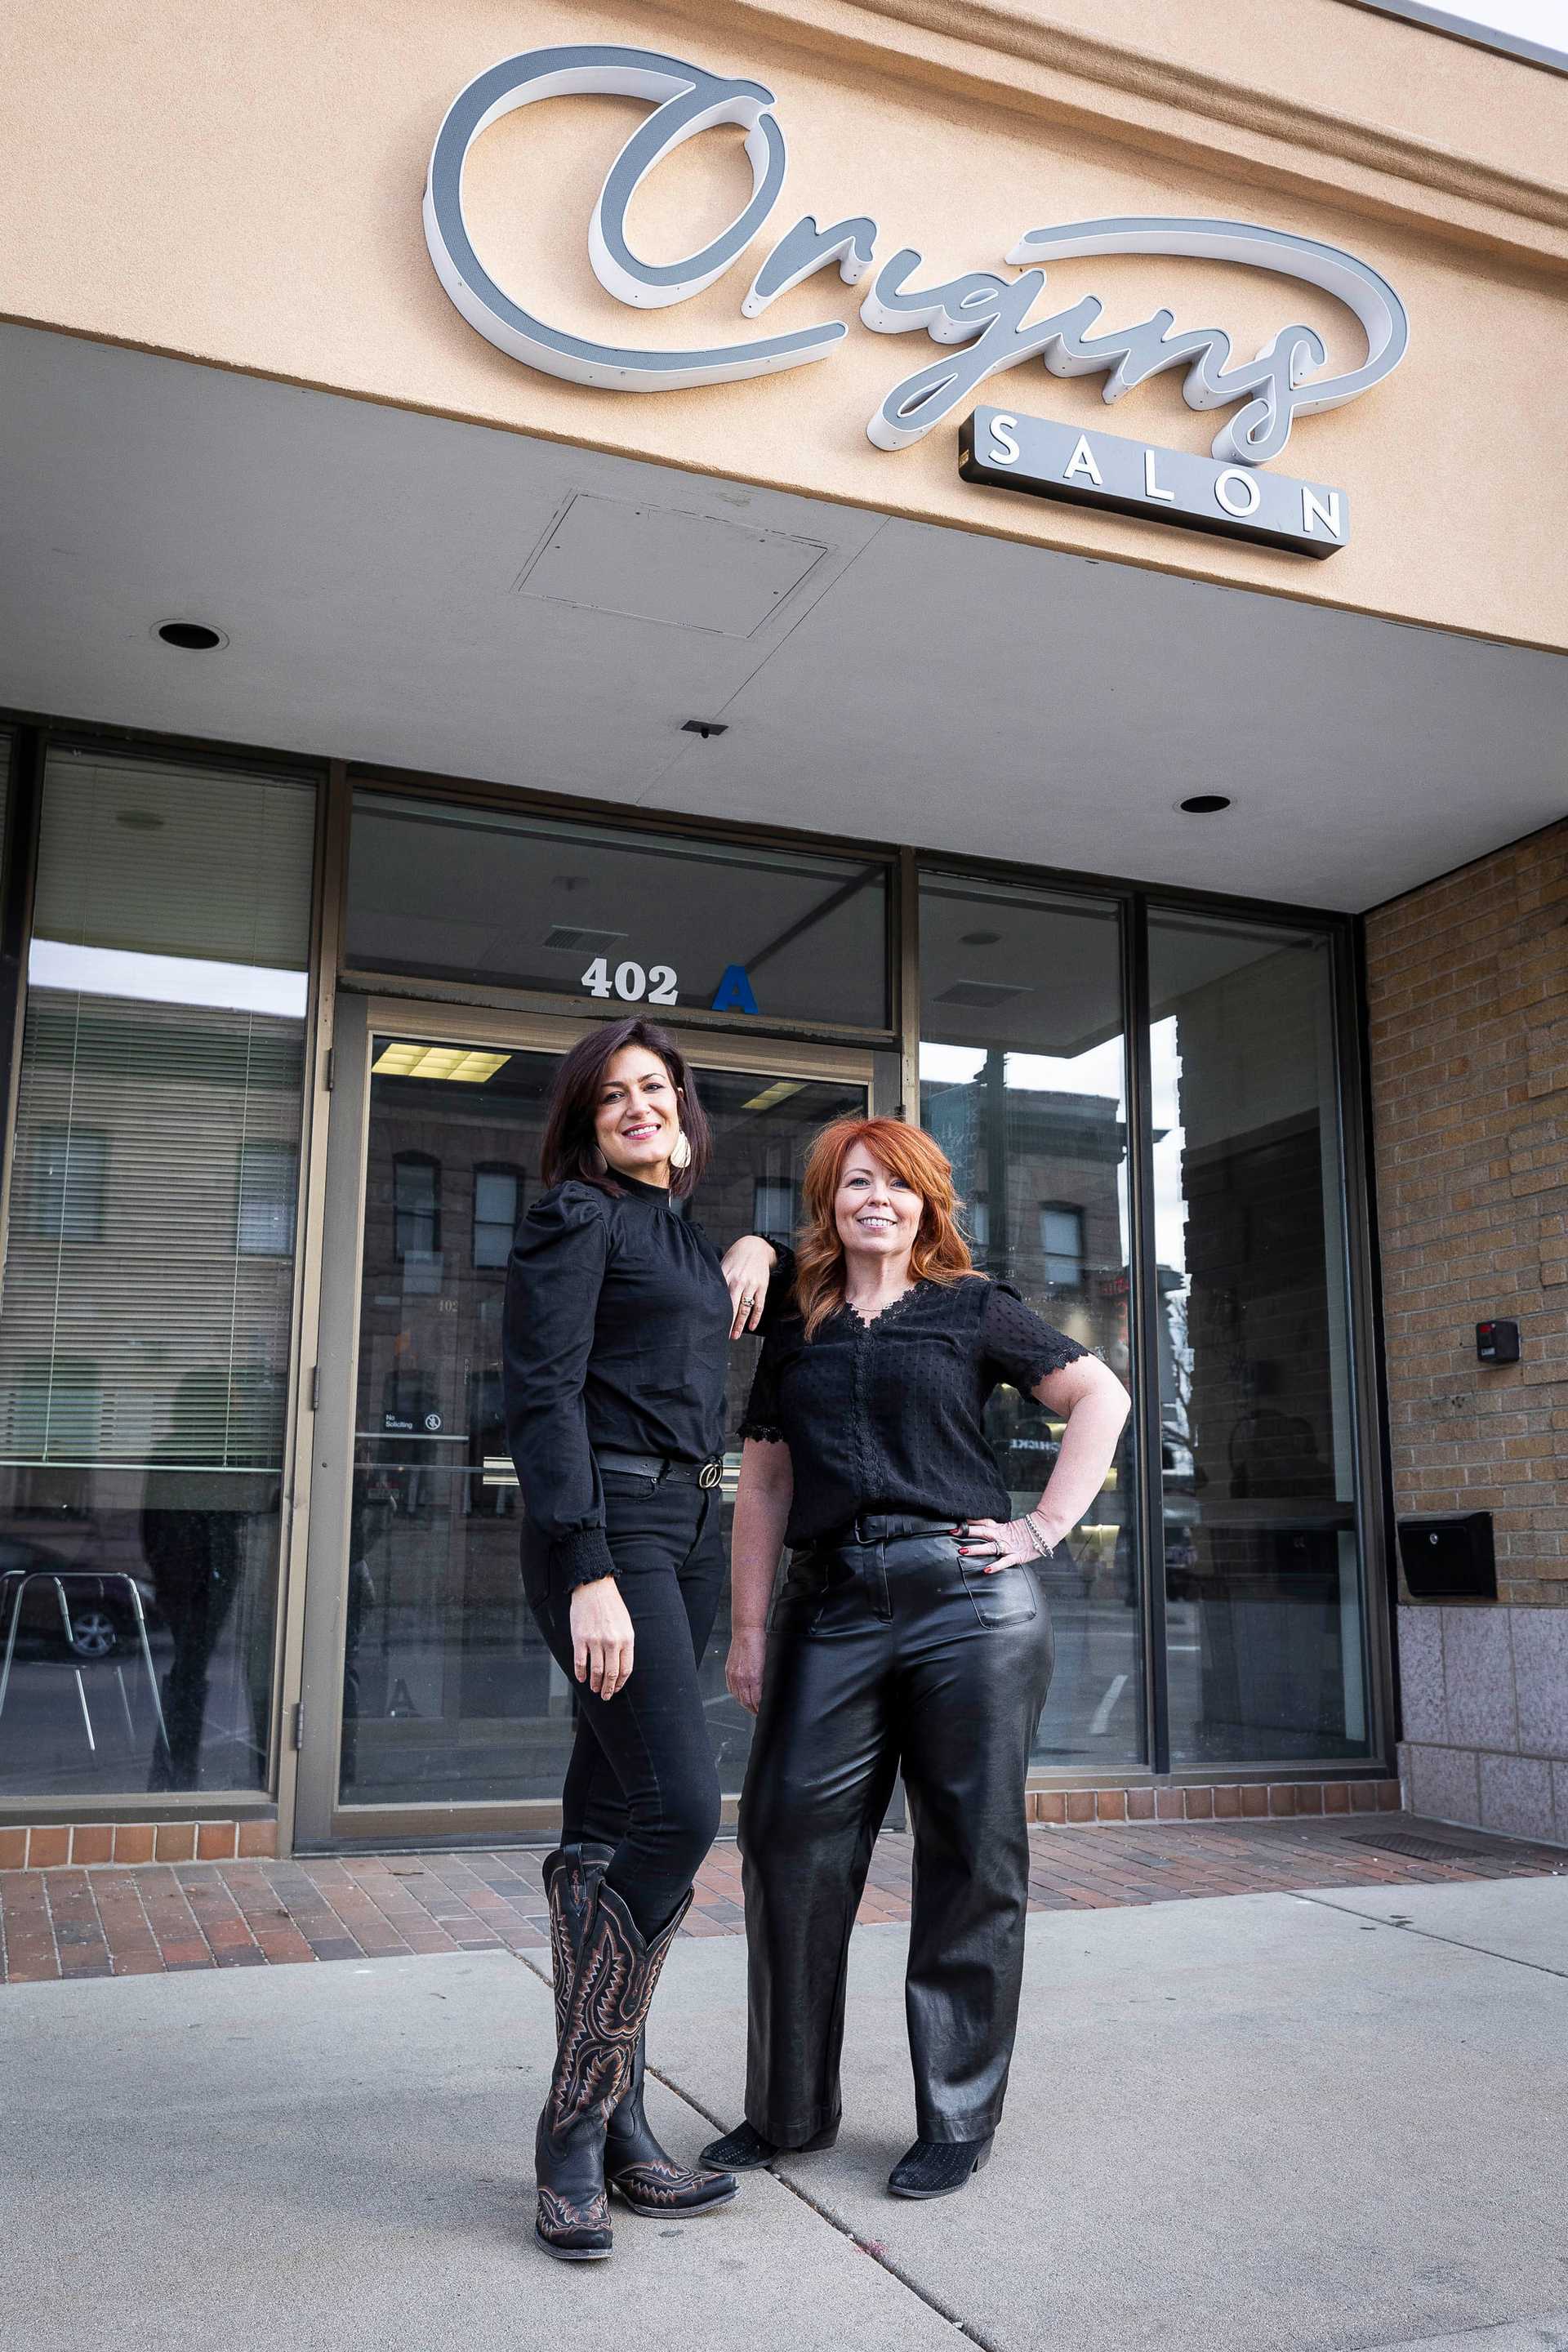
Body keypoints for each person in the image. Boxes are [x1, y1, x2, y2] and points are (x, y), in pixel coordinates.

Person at [702, 1117, 1130, 2201]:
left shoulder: (972, 1308)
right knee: (785, 1842)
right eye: (855, 1184)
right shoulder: (797, 1329)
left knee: (969, 1861)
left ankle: (958, 2116)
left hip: (967, 1607)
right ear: (830, 1202)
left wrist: (1042, 1528)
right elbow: (763, 1484)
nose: (874, 1200)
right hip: (829, 1606)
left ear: (927, 1201)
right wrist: (749, 1629)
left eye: (895, 1184)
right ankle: (787, 2111)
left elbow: (1103, 1398)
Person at [503, 1016, 783, 2262]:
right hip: (611, 1529)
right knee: (682, 1810)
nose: (636, 1106)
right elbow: (542, 1396)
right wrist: (588, 1571)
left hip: (684, 1520)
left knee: (606, 1827)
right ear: (586, 1118)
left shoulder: (672, 1229)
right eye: (612, 1094)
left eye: (654, 1088)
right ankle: (577, 2121)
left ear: (683, 1109)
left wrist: (760, 1239)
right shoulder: (576, 1218)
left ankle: (620, 2128)